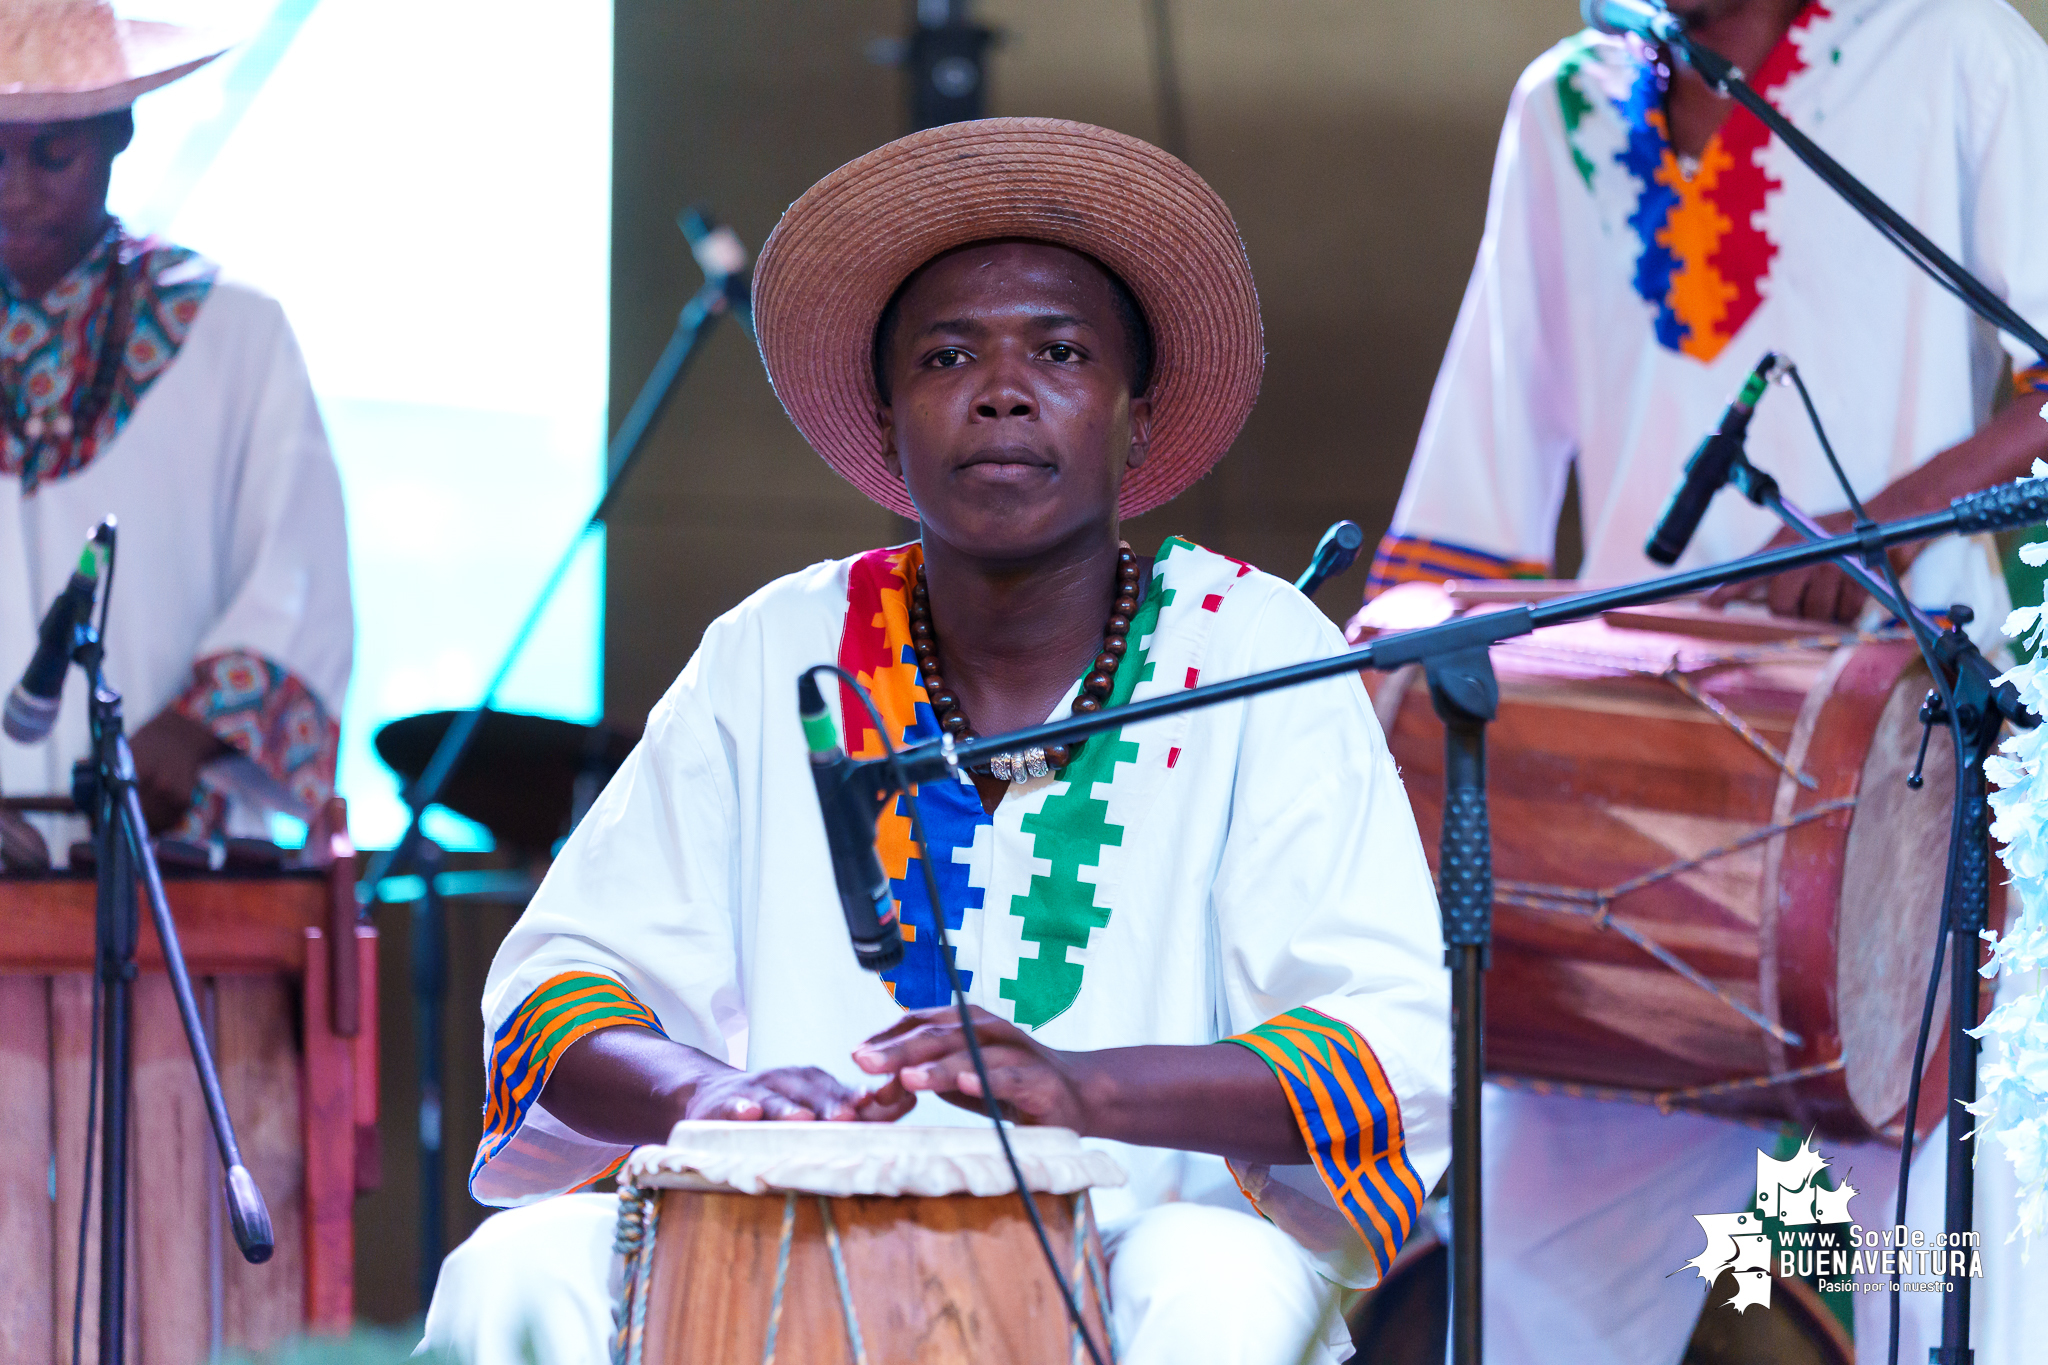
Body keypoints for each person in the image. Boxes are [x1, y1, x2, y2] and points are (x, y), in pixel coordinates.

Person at [420, 117, 1450, 1365]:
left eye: (1061, 353)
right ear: (888, 418)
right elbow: (552, 998)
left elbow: (1386, 1047)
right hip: (782, 1231)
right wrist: (702, 1097)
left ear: (1135, 416)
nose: (1002, 389)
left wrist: (1082, 1090)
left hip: (1135, 1252)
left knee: (1221, 1286)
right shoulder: (774, 651)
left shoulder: (1258, 651)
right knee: (516, 1275)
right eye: (947, 355)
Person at [1356, 1, 2048, 1362]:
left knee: (1960, 1285)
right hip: (1639, 788)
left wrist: (1889, 516)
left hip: (1933, 773)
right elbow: (1471, 511)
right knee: (1523, 1303)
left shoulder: (1960, 48)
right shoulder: (1565, 103)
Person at [0, 1, 352, 857]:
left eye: (52, 152)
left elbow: (300, 577)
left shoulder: (232, 329)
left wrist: (192, 731)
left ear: (117, 131)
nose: (15, 188)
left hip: (179, 867)